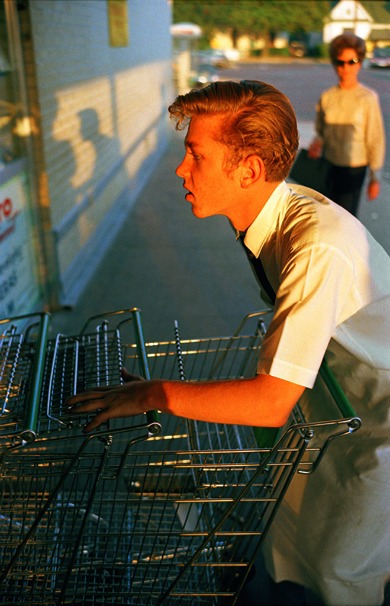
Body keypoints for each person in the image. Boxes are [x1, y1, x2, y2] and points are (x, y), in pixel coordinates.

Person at [67, 80, 390, 606]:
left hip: (378, 419)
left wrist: (154, 394)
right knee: (298, 542)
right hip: (340, 397)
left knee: (342, 571)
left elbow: (269, 400)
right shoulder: (272, 217)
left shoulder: (318, 246)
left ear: (249, 170)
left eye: (196, 154)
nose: (180, 168)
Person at [308, 33, 385, 216]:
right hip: (329, 164)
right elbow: (321, 130)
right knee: (326, 216)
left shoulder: (368, 98)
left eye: (352, 61)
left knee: (347, 218)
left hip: (354, 168)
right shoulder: (327, 96)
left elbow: (375, 138)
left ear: (360, 62)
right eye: (340, 62)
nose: (345, 68)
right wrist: (317, 142)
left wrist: (375, 177)